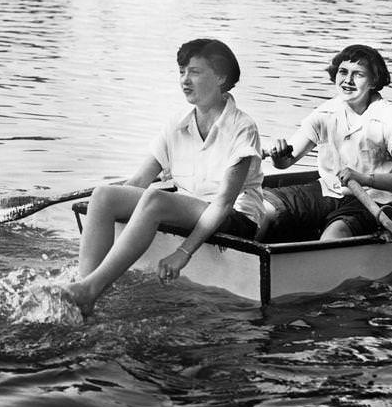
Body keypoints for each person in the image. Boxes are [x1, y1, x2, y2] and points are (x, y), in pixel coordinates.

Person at [62, 39, 265, 315]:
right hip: (190, 207)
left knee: (156, 200)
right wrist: (113, 205)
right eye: (181, 72)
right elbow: (138, 183)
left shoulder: (243, 127)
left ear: (220, 77)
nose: (184, 80)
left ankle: (90, 290)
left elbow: (223, 204)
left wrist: (183, 252)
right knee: (104, 194)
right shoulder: (177, 122)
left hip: (235, 219)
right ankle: (86, 286)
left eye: (194, 72)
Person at [261, 44, 392, 241]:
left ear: (374, 81)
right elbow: (286, 162)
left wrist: (365, 179)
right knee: (263, 209)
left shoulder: (390, 118)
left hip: (383, 200)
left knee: (334, 235)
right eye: (343, 72)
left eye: (358, 74)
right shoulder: (326, 112)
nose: (347, 80)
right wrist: (280, 156)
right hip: (332, 191)